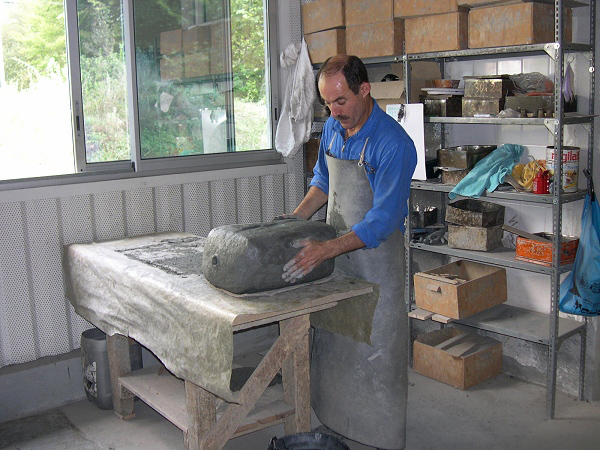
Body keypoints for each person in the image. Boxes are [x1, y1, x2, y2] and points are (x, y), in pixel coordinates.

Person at [281, 54, 417, 450]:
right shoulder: (332, 129)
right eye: (327, 103)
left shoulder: (394, 144)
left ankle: (381, 434)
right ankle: (336, 417)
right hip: (336, 258)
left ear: (365, 90)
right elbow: (322, 182)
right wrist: (294, 219)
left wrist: (327, 250)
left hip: (377, 266)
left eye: (340, 101)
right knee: (336, 340)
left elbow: (382, 220)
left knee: (375, 351)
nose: (333, 112)